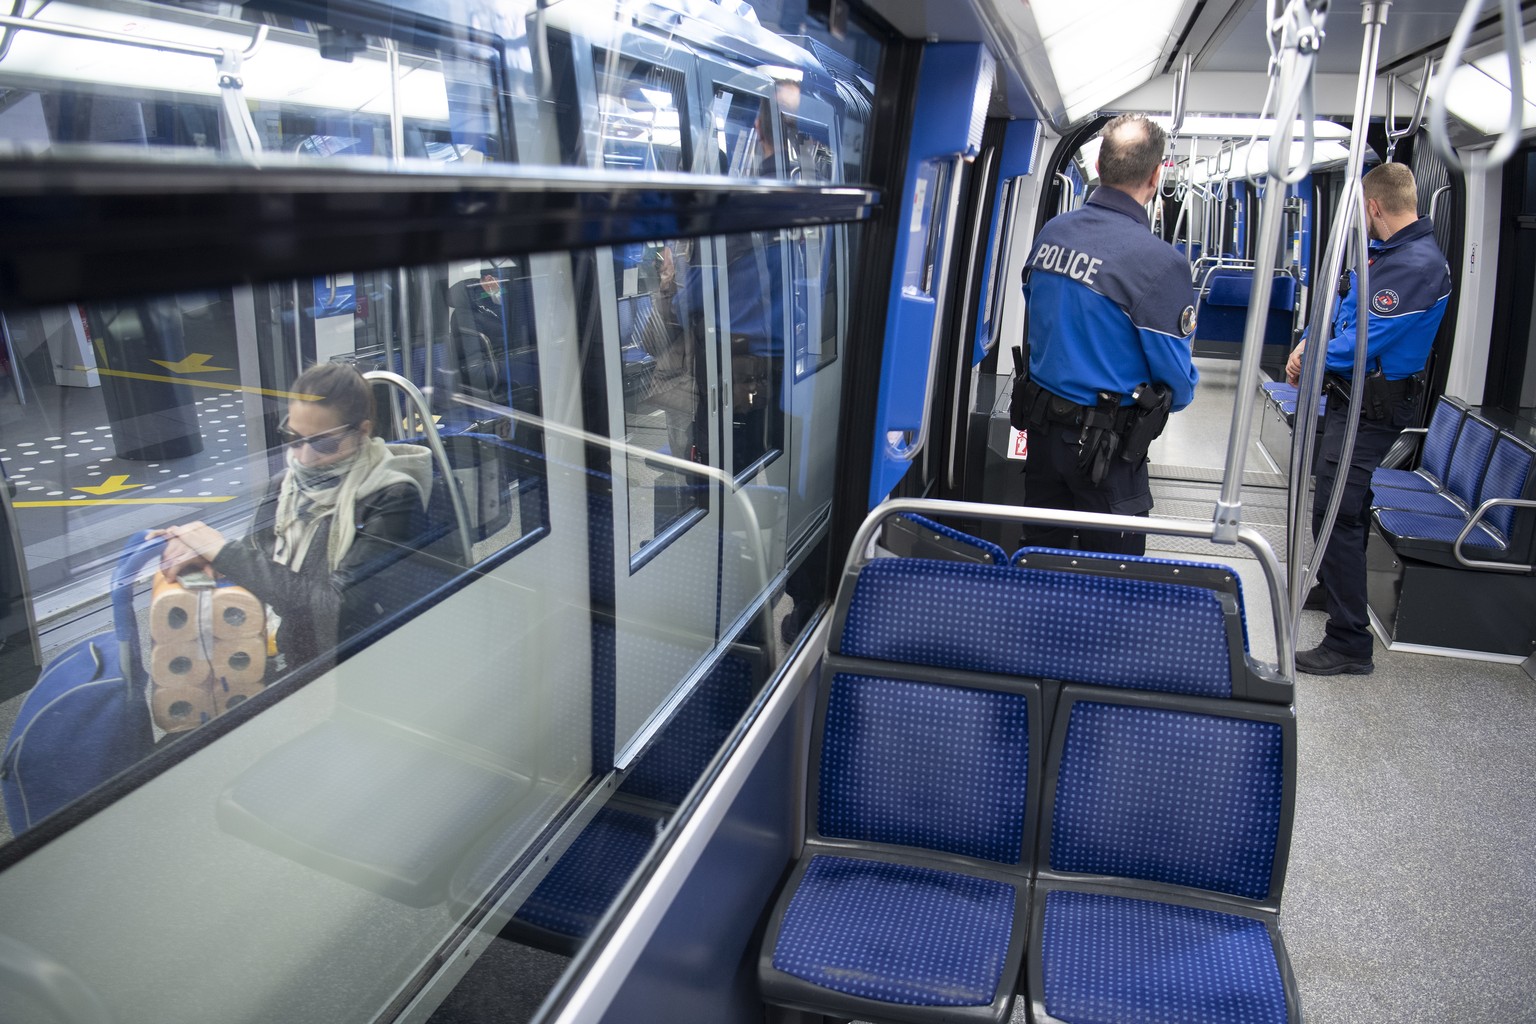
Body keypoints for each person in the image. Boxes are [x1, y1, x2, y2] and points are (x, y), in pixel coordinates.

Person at [154, 362, 433, 669]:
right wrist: (204, 556)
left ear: (362, 431)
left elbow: (335, 605)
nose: (305, 457)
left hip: (364, 657)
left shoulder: (393, 497)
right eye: (294, 438)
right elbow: (258, 557)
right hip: (295, 647)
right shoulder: (287, 484)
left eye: (324, 442)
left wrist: (222, 552)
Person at [1285, 162, 1450, 676]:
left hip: (1372, 405)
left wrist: (1307, 359)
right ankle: (1333, 586)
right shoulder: (1383, 255)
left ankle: (1349, 641)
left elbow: (1362, 344)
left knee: (1337, 510)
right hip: (1350, 398)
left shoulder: (1416, 266)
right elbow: (1346, 313)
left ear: (1374, 207)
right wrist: (1312, 342)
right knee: (1338, 500)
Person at [1012, 113, 1199, 555]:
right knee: (1111, 581)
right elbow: (1178, 382)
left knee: (1041, 559)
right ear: (1157, 175)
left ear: (1099, 165)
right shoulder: (1160, 264)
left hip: (1042, 436)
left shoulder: (1053, 233)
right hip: (1106, 454)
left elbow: (1036, 306)